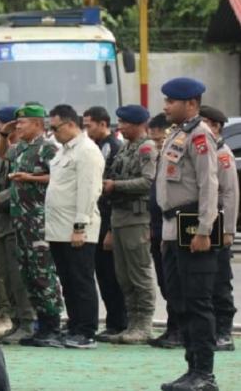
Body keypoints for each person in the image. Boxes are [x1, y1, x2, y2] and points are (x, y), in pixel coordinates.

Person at [156, 78, 220, 391]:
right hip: (174, 228)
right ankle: (192, 368)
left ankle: (204, 374)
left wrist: (205, 230)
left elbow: (209, 184)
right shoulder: (179, 133)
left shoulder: (200, 135)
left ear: (191, 103)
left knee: (197, 303)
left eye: (171, 101)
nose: (166, 106)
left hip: (193, 226)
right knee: (179, 301)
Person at [4, 103, 64, 347]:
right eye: (17, 122)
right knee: (27, 272)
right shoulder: (21, 147)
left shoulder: (48, 148)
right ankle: (41, 325)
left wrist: (30, 178)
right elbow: (1, 155)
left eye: (23, 122)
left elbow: (58, 177)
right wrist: (3, 134)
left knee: (43, 272)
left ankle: (53, 325)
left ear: (38, 124)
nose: (18, 126)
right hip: (21, 219)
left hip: (39, 219)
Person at [46, 104, 104, 349]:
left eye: (55, 128)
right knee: (68, 281)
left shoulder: (87, 151)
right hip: (59, 228)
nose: (53, 133)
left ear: (70, 124)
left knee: (81, 280)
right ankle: (74, 325)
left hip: (76, 228)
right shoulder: (64, 150)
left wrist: (80, 226)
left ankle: (86, 331)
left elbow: (88, 191)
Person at [101, 105, 158, 344]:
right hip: (120, 216)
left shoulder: (147, 148)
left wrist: (116, 186)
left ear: (138, 124)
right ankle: (132, 323)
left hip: (137, 218)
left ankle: (144, 325)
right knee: (123, 276)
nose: (121, 127)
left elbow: (148, 182)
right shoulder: (125, 147)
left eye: (125, 123)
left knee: (139, 273)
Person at [0, 106, 36, 344]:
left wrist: (2, 197)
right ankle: (16, 321)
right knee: (4, 274)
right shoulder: (15, 149)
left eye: (7, 124)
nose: (2, 128)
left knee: (19, 276)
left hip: (21, 219)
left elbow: (29, 183)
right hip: (2, 219)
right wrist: (4, 135)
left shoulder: (36, 150)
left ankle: (27, 322)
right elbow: (1, 157)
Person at [83, 106, 128, 341]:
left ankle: (118, 322)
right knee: (102, 273)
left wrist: (110, 229)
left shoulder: (112, 147)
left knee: (111, 274)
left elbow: (110, 191)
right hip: (96, 218)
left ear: (102, 124)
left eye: (89, 125)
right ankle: (113, 321)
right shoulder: (97, 146)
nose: (86, 129)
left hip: (108, 218)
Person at [199, 105, 238, 353]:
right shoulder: (204, 151)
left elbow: (231, 193)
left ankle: (224, 332)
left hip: (218, 222)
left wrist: (228, 229)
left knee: (220, 281)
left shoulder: (222, 153)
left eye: (204, 122)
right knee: (202, 280)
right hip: (200, 220)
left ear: (215, 126)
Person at [147, 112, 182, 349]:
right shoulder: (160, 158)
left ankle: (180, 329)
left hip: (172, 226)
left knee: (177, 283)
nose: (158, 144)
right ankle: (173, 327)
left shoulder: (175, 155)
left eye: (160, 140)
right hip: (157, 228)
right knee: (165, 281)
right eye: (155, 140)